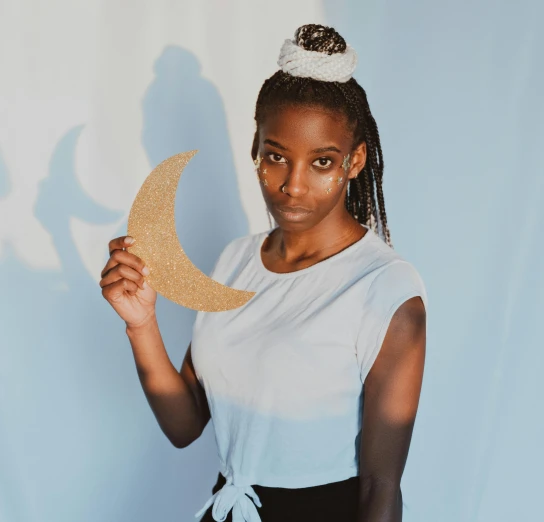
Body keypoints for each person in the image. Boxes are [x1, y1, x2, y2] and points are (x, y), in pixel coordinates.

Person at [100, 24, 428, 522]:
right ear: (255, 151)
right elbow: (185, 423)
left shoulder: (385, 291)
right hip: (231, 509)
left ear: (354, 161)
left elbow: (381, 488)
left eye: (322, 162)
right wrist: (140, 324)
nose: (292, 186)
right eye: (276, 156)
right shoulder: (236, 260)